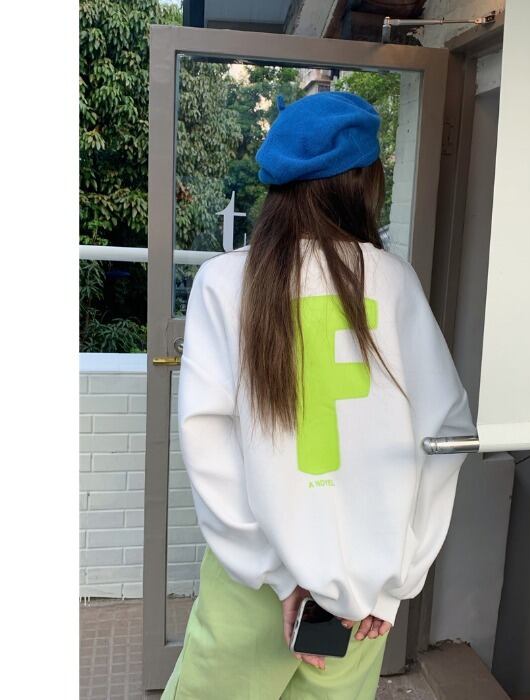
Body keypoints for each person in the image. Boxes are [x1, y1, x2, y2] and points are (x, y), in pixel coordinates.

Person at [161, 91, 475, 699]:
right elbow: (449, 435)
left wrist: (279, 574)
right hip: (359, 589)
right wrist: (398, 579)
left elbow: (206, 440)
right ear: (364, 184)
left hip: (254, 586)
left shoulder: (224, 281)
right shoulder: (395, 281)